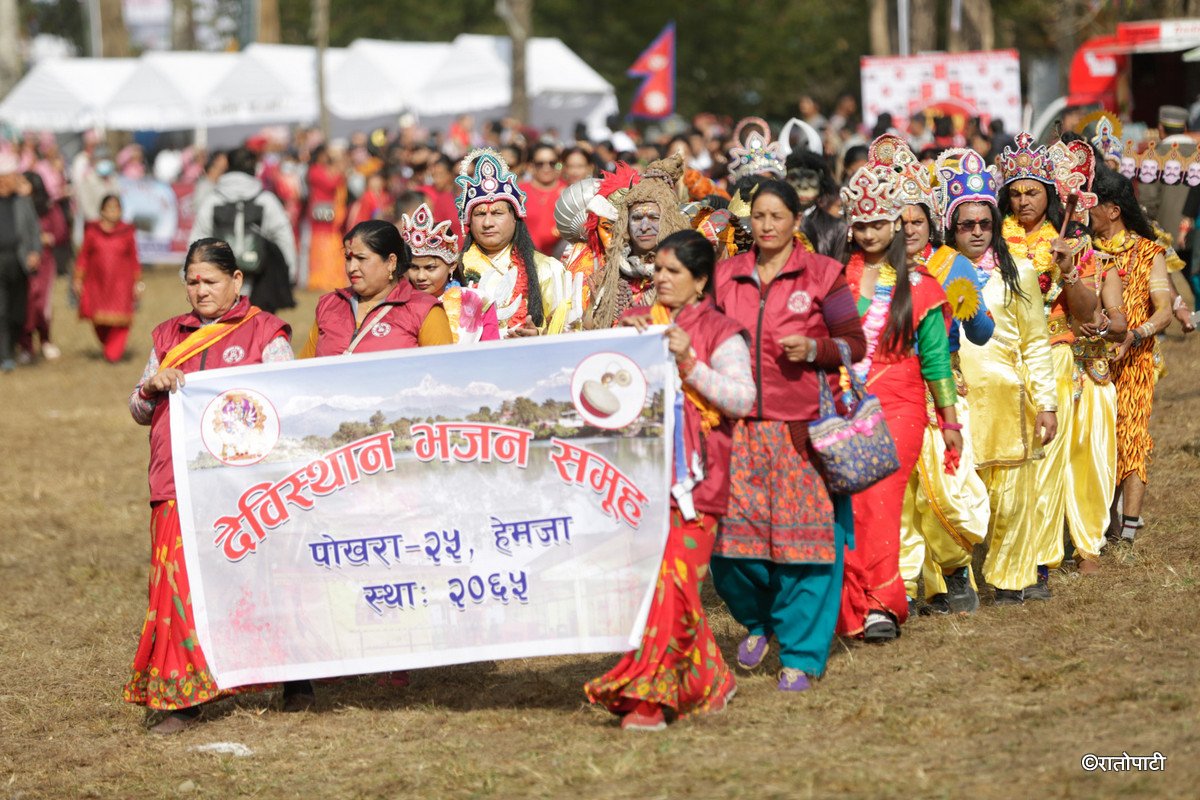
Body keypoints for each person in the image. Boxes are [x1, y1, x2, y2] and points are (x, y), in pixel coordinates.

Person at [585, 229, 754, 730]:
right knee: (664, 587)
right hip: (645, 480)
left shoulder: (721, 332)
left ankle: (648, 697)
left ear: (700, 281)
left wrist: (688, 362)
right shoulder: (639, 327)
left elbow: (742, 400)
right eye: (657, 269)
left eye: (672, 271)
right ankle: (712, 680)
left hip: (699, 482)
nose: (659, 278)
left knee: (674, 581)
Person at [125, 238, 293, 733]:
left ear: (236, 281)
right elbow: (136, 410)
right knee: (175, 585)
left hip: (246, 483)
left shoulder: (265, 332)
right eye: (192, 282)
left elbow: (287, 400)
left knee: (256, 576)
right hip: (176, 478)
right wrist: (151, 388)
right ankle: (179, 698)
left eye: (211, 281)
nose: (200, 291)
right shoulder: (168, 336)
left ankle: (288, 674)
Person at [710, 179, 866, 690]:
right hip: (736, 430)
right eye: (759, 216)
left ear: (796, 220)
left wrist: (817, 351)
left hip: (801, 433)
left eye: (778, 216)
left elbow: (854, 344)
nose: (768, 225)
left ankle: (800, 654)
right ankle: (760, 620)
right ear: (749, 220)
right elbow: (701, 328)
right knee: (731, 550)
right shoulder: (727, 275)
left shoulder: (822, 274)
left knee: (807, 547)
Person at [836, 162, 959, 642]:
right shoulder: (831, 279)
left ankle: (882, 605)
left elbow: (936, 361)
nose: (869, 233)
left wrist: (950, 422)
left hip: (902, 407)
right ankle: (849, 603)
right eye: (861, 224)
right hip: (843, 404)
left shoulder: (922, 286)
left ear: (896, 225)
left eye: (879, 224)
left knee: (881, 501)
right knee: (848, 504)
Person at [875, 143, 994, 617]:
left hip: (945, 391)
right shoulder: (876, 272)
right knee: (899, 491)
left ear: (932, 223)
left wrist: (970, 305)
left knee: (947, 486)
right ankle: (900, 585)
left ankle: (955, 571)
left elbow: (982, 335)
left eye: (917, 222)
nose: (908, 231)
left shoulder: (952, 264)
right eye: (899, 223)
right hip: (894, 391)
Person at [953, 149, 1058, 605]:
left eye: (984, 224)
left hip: (1008, 400)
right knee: (959, 494)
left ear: (995, 226)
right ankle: (953, 579)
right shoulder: (933, 275)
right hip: (954, 400)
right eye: (966, 225)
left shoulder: (1021, 274)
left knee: (1013, 495)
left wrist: (1048, 402)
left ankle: (1013, 575)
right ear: (952, 229)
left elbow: (1036, 343)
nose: (977, 232)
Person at [997, 132, 1091, 597]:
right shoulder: (993, 242)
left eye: (1032, 191)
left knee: (1048, 461)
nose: (1022, 200)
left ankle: (1042, 560)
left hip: (1052, 356)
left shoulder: (1069, 241)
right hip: (1001, 360)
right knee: (1011, 459)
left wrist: (1069, 271)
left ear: (1050, 193)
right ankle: (1008, 553)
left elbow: (1088, 313)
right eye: (1014, 192)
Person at [1091, 167, 1174, 546]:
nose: (1086, 210)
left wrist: (1137, 334)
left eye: (1094, 204)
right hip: (1090, 361)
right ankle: (1099, 522)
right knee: (1098, 439)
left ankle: (1128, 528)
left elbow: (1164, 309)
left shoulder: (1148, 251)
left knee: (1131, 436)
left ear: (1113, 210)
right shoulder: (1084, 250)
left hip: (1136, 359)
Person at [456, 149, 574, 337]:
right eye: (479, 214)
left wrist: (540, 335)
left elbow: (570, 329)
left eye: (497, 213)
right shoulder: (455, 270)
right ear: (469, 221)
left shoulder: (546, 269)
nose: (487, 223)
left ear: (515, 218)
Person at [307, 219, 453, 357]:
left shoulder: (423, 310)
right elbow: (304, 370)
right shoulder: (330, 305)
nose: (351, 268)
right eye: (348, 258)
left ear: (391, 262)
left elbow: (442, 374)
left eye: (361, 258)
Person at [588, 154, 692, 329]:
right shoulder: (607, 276)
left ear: (668, 221)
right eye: (636, 218)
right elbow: (591, 330)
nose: (644, 227)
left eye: (653, 217)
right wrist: (594, 302)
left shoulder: (685, 274)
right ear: (625, 224)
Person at [190, 147, 297, 314]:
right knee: (259, 332)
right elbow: (283, 236)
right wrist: (289, 274)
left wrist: (190, 276)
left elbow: (197, 239)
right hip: (261, 280)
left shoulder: (213, 199)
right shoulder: (266, 199)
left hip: (219, 279)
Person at [401, 203, 499, 343]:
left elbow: (492, 351)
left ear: (452, 266)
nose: (421, 277)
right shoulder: (400, 304)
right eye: (414, 268)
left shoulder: (477, 302)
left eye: (430, 268)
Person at [73, 194, 140, 364]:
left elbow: (133, 258)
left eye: (116, 208)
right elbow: (83, 256)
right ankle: (109, 345)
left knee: (120, 319)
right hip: (97, 283)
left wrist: (138, 282)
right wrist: (78, 278)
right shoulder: (92, 231)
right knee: (99, 320)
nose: (113, 212)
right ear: (102, 211)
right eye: (109, 208)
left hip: (121, 284)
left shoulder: (127, 232)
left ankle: (113, 353)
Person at [17, 171, 66, 363]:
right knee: (25, 304)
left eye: (24, 183)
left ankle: (45, 340)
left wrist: (48, 239)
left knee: (41, 304)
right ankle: (25, 345)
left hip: (44, 262)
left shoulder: (49, 208)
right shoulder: (15, 206)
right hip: (22, 262)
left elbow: (60, 232)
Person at [0, 154, 42, 372]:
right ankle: (5, 354)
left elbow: (35, 229)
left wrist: (35, 251)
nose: (10, 182)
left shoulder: (22, 201)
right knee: (1, 309)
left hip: (19, 261)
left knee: (18, 311)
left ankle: (11, 344)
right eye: (7, 178)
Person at [306, 144, 349, 292]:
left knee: (332, 244)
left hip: (331, 215)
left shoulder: (325, 170)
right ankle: (321, 279)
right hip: (322, 216)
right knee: (322, 247)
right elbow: (331, 184)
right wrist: (339, 171)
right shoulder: (315, 171)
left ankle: (332, 276)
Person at [518, 143, 566, 254]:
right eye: (540, 164)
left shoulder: (567, 193)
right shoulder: (519, 191)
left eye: (552, 163)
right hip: (523, 257)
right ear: (530, 166)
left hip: (558, 259)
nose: (546, 168)